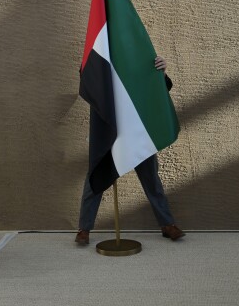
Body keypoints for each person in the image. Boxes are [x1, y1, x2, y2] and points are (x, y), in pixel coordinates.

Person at [75, 56, 185, 245]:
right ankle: (84, 228)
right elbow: (88, 84)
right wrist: (87, 67)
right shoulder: (99, 55)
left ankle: (167, 224)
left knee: (151, 177)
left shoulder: (135, 53)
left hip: (136, 129)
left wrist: (160, 72)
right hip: (108, 129)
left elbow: (156, 90)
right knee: (96, 176)